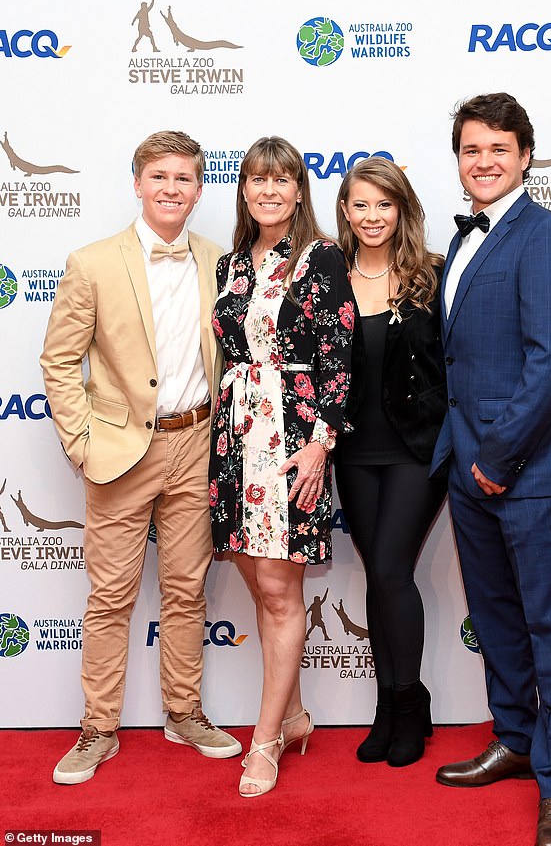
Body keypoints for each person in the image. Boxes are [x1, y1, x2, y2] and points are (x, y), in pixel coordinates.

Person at [40, 130, 241, 785]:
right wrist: (81, 440)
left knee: (187, 589)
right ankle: (98, 725)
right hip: (121, 452)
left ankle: (184, 712)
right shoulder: (93, 262)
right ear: (137, 182)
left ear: (199, 188)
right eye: (159, 176)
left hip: (197, 445)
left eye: (184, 178)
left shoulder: (219, 260)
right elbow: (58, 360)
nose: (171, 188)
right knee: (111, 595)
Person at [430, 93, 551, 846]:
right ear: (458, 159)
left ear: (526, 155)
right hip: (469, 470)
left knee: (550, 620)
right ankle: (516, 737)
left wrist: (497, 458)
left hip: (531, 470)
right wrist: (467, 462)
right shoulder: (461, 242)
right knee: (495, 617)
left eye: (499, 148)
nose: (484, 161)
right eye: (471, 149)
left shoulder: (548, 237)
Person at [209, 135, 355, 796]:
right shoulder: (232, 264)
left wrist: (322, 443)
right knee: (257, 579)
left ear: (300, 189)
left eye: (282, 179)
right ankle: (294, 713)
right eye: (257, 180)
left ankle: (264, 740)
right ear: (243, 190)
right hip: (236, 439)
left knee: (280, 589)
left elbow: (337, 355)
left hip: (292, 438)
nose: (269, 190)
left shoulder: (322, 257)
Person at [334, 157, 447, 767]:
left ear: (401, 210)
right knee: (380, 576)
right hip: (353, 452)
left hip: (416, 451)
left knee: (391, 570)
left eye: (385, 204)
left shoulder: (432, 276)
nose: (373, 216)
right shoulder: (330, 279)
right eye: (362, 205)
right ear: (345, 212)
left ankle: (406, 703)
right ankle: (391, 703)